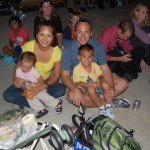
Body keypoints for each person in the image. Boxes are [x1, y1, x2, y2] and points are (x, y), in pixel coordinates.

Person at [61, 19, 130, 113]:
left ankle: (100, 99)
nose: (83, 36)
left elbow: (105, 68)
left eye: (86, 32)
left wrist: (111, 88)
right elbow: (64, 77)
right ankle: (109, 103)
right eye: (79, 32)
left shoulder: (98, 46)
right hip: (80, 83)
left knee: (124, 83)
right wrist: (75, 89)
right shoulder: (68, 50)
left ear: (91, 33)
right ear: (75, 33)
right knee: (71, 96)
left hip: (95, 78)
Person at [3, 22, 66, 108]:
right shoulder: (28, 46)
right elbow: (18, 64)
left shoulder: (57, 51)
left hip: (43, 80)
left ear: (52, 38)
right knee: (7, 95)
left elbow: (56, 75)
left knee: (61, 90)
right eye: (42, 35)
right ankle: (42, 101)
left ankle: (34, 100)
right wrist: (15, 79)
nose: (45, 39)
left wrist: (41, 87)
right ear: (36, 35)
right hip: (25, 79)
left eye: (48, 35)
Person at [73, 44, 114, 119]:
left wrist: (100, 79)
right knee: (90, 89)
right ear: (79, 57)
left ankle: (109, 105)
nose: (87, 60)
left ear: (93, 58)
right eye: (84, 57)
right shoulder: (77, 69)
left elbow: (101, 75)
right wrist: (90, 84)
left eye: (89, 57)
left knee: (105, 84)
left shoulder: (95, 65)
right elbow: (77, 82)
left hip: (97, 85)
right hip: (86, 88)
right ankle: (101, 108)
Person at [16, 51, 63, 118]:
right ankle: (41, 109)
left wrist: (36, 85)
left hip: (37, 85)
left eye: (28, 68)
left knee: (40, 95)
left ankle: (56, 103)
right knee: (29, 96)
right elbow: (18, 82)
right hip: (27, 87)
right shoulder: (18, 71)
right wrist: (21, 81)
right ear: (20, 62)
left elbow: (41, 80)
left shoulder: (34, 71)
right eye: (23, 67)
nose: (25, 70)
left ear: (32, 65)